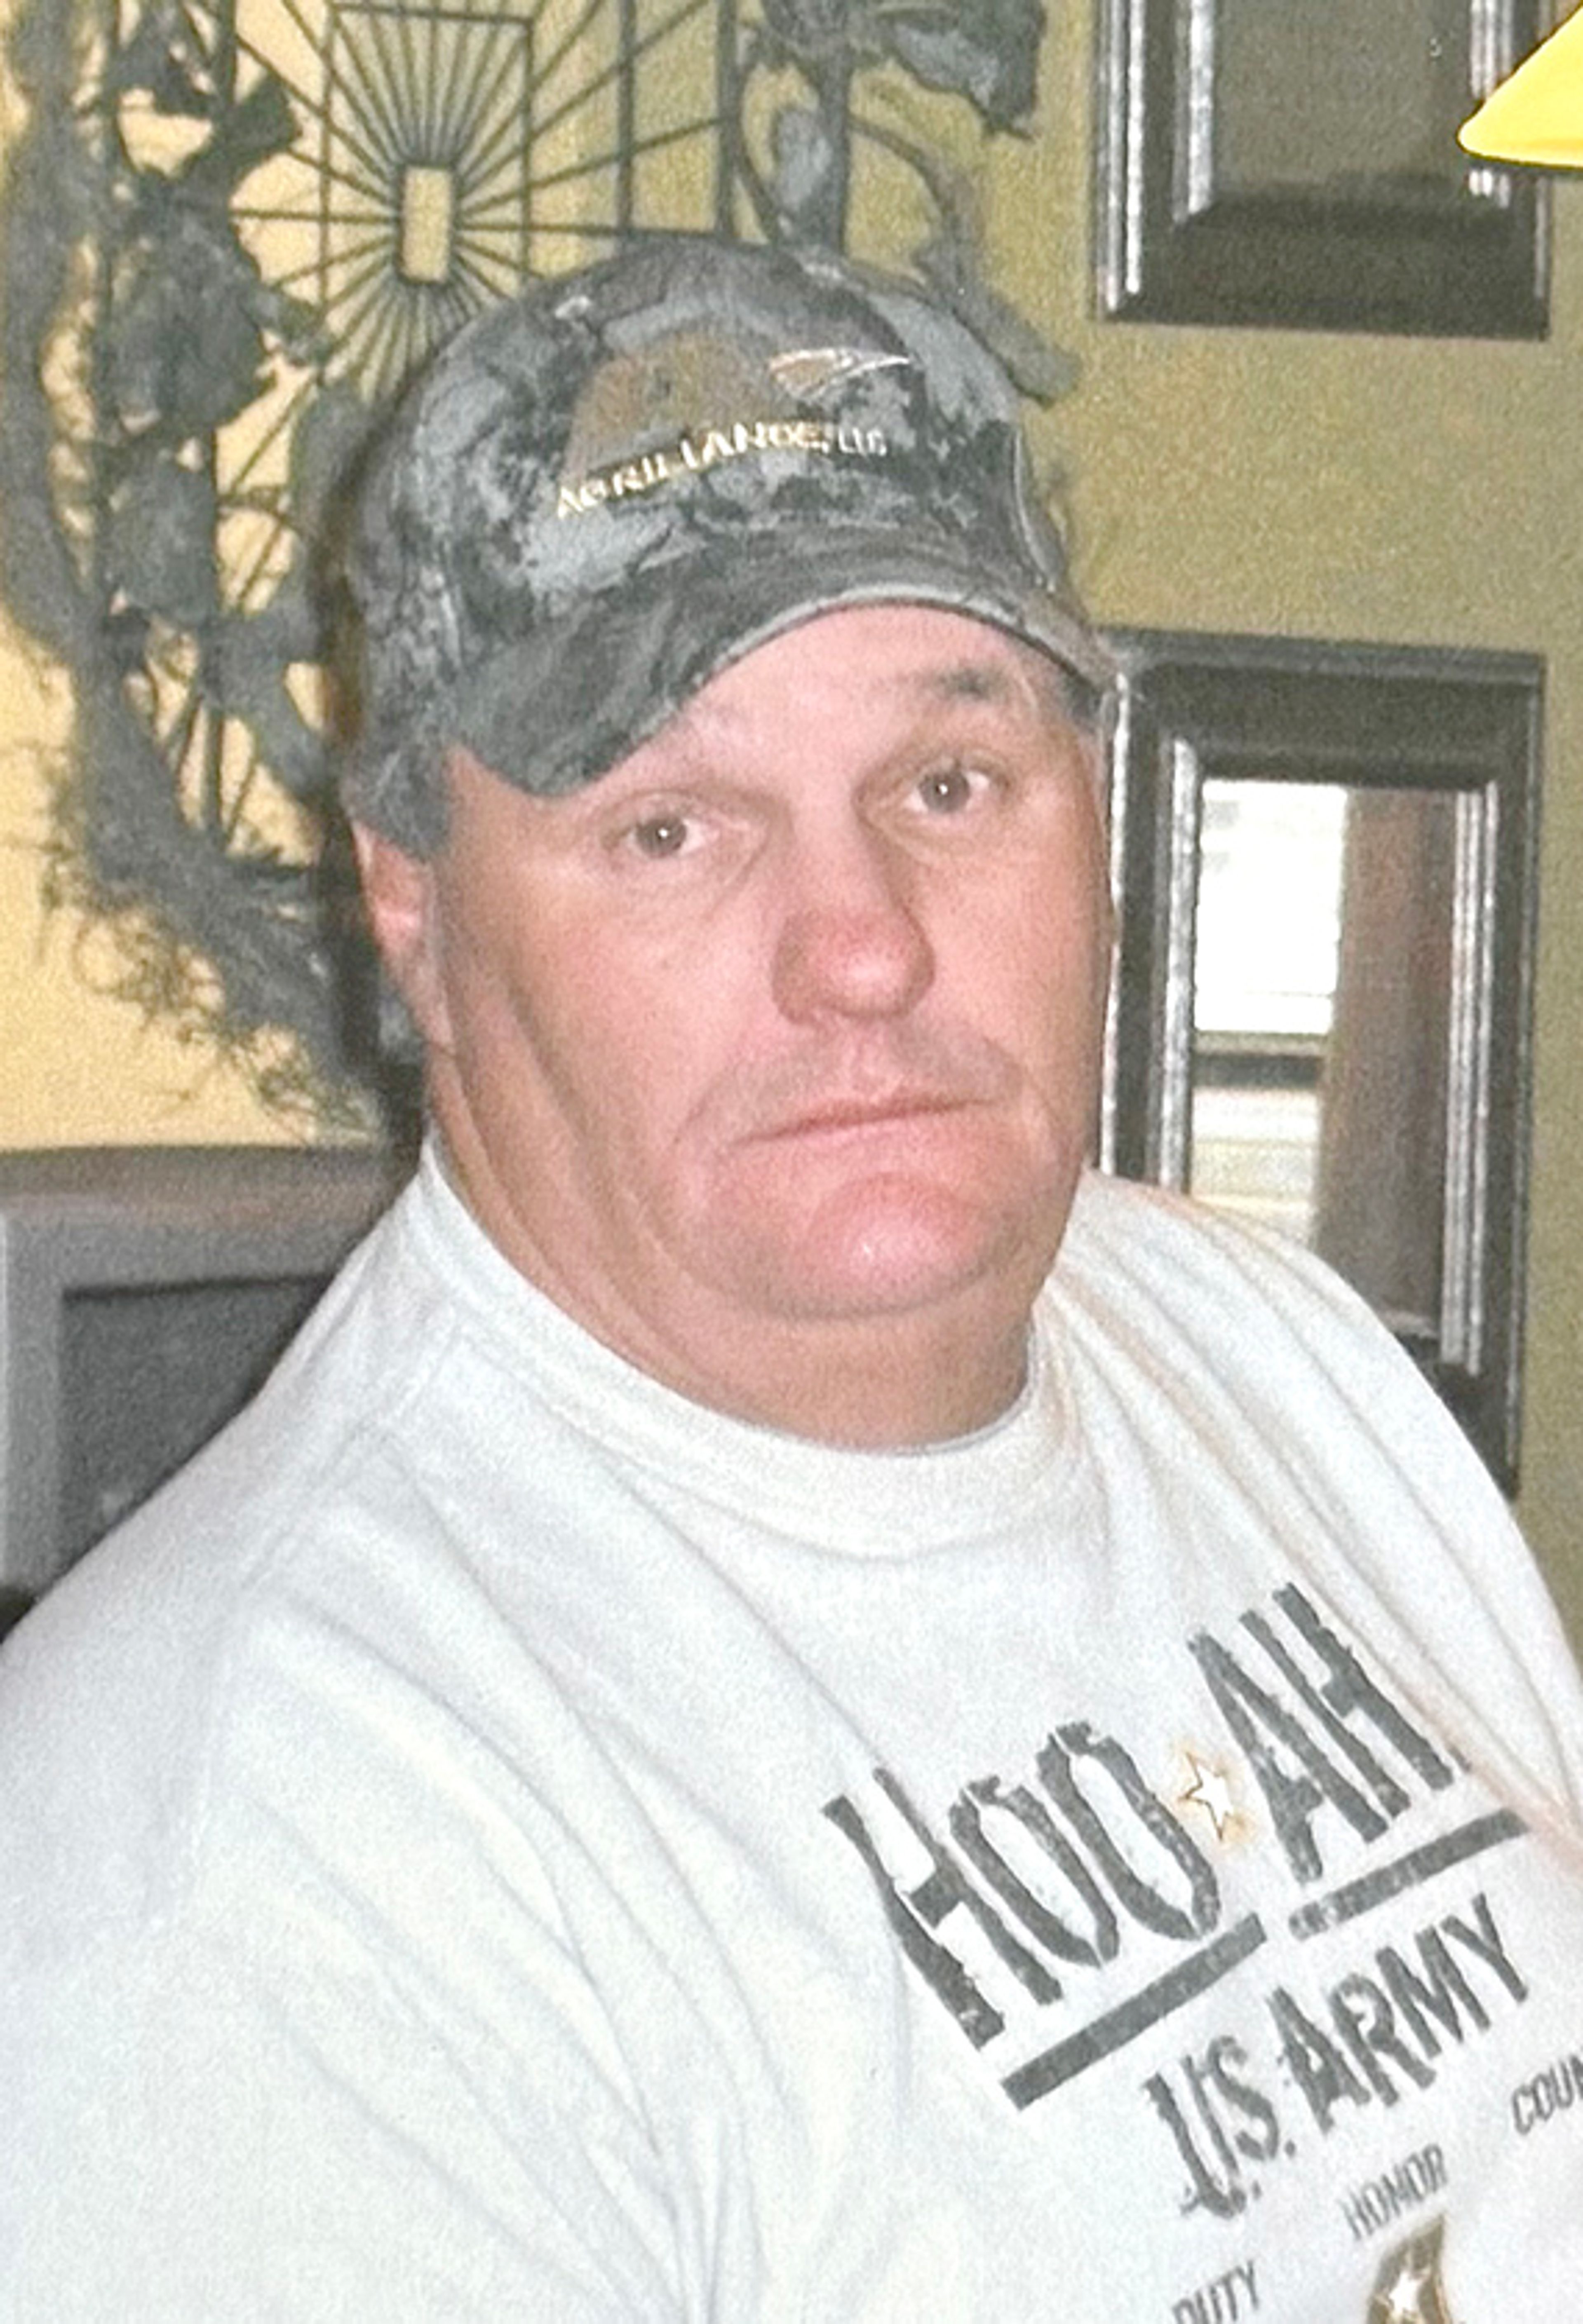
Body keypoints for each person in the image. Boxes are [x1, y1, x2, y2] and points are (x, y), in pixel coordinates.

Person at [2, 236, 1582, 2322]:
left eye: (947, 785)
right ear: (415, 911)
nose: (865, 949)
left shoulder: (1264, 1347)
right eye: (673, 827)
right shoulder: (245, 1857)